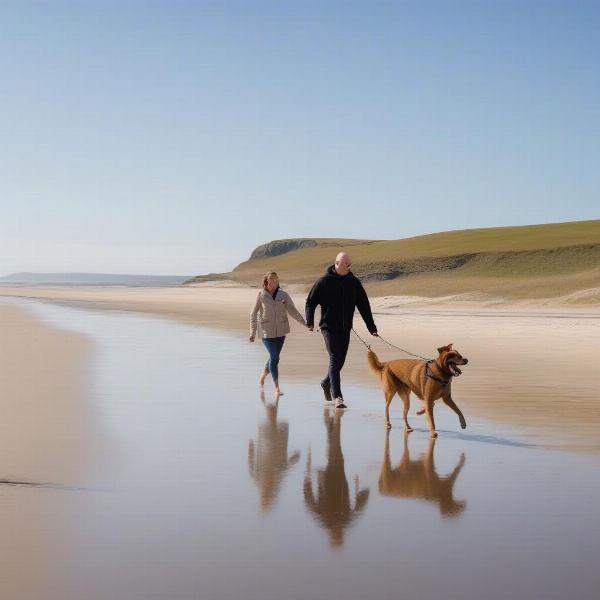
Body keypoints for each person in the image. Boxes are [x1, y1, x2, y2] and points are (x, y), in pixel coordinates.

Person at [305, 252, 378, 409]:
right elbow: (310, 302)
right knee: (334, 357)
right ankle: (337, 396)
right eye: (347, 264)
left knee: (340, 361)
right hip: (328, 327)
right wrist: (310, 321)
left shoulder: (354, 282)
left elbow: (364, 306)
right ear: (337, 263)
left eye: (350, 264)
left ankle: (326, 383)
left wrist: (371, 327)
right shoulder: (323, 281)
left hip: (345, 328)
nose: (349, 267)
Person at [250, 271, 306, 396]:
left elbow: (292, 310)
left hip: (281, 331)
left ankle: (265, 372)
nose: (274, 282)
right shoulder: (261, 295)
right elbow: (253, 314)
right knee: (275, 358)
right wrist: (252, 332)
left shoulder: (283, 295)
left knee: (273, 358)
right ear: (266, 281)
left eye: (276, 280)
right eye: (271, 280)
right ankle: (277, 388)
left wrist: (305, 323)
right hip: (266, 331)